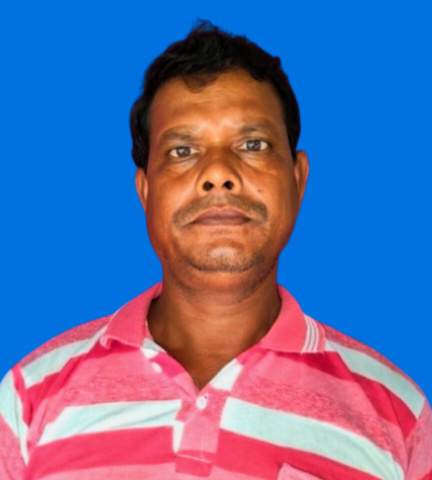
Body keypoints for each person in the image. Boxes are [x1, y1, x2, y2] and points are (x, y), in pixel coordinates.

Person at [0, 20, 430, 480]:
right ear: (145, 191)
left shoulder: (400, 418)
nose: (218, 173)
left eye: (253, 144)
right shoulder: (29, 399)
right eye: (183, 151)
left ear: (298, 179)